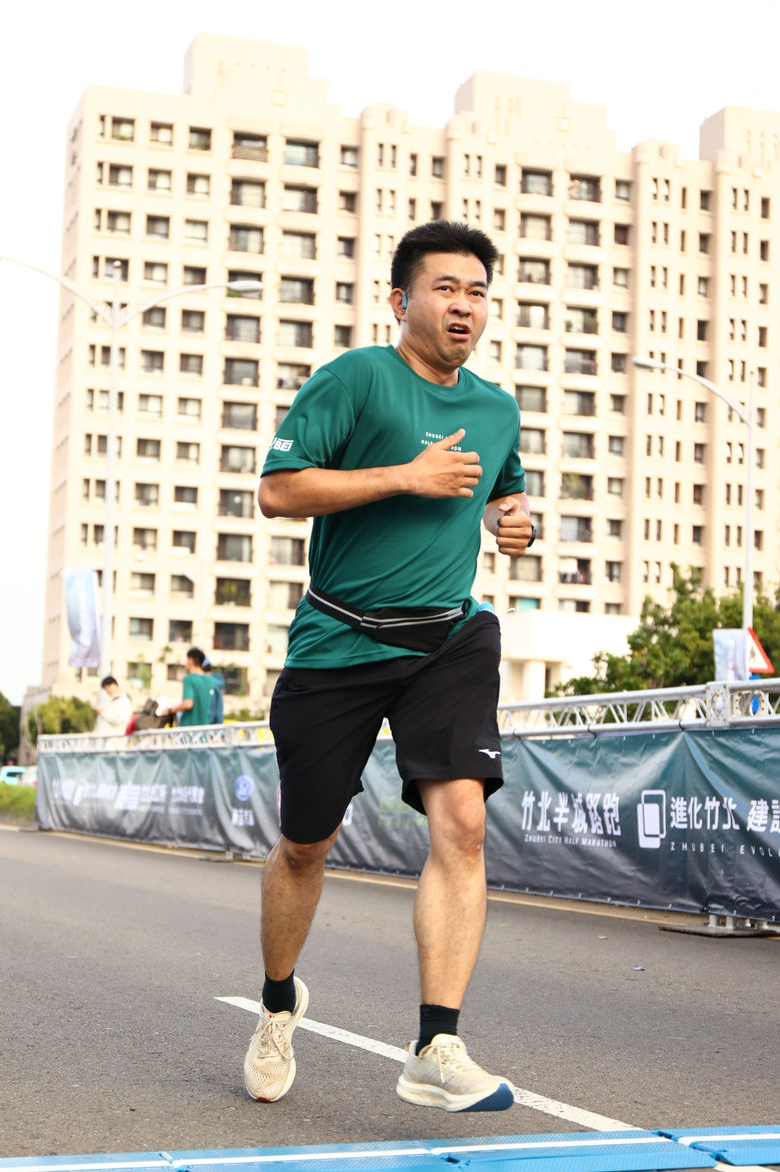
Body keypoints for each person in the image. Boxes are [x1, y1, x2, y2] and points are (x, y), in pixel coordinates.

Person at [244, 220, 533, 1111]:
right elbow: (278, 491)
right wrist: (403, 475)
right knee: (306, 844)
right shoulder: (355, 379)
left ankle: (436, 1044)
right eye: (445, 288)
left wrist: (514, 522)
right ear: (401, 300)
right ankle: (278, 1003)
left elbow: (504, 492)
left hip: (447, 638)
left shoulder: (496, 408)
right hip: (339, 640)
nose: (463, 306)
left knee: (463, 825)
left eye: (477, 292)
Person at [170, 647, 222, 726]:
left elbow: (188, 704)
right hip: (204, 728)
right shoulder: (211, 680)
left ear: (191, 660)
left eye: (186, 660)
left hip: (189, 728)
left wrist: (170, 710)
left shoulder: (189, 679)